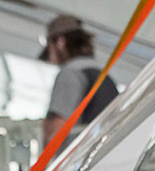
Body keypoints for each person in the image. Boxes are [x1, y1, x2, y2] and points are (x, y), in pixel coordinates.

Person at [41, 13, 119, 146]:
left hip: (81, 159)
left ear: (60, 41)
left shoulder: (70, 73)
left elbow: (59, 129)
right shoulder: (102, 75)